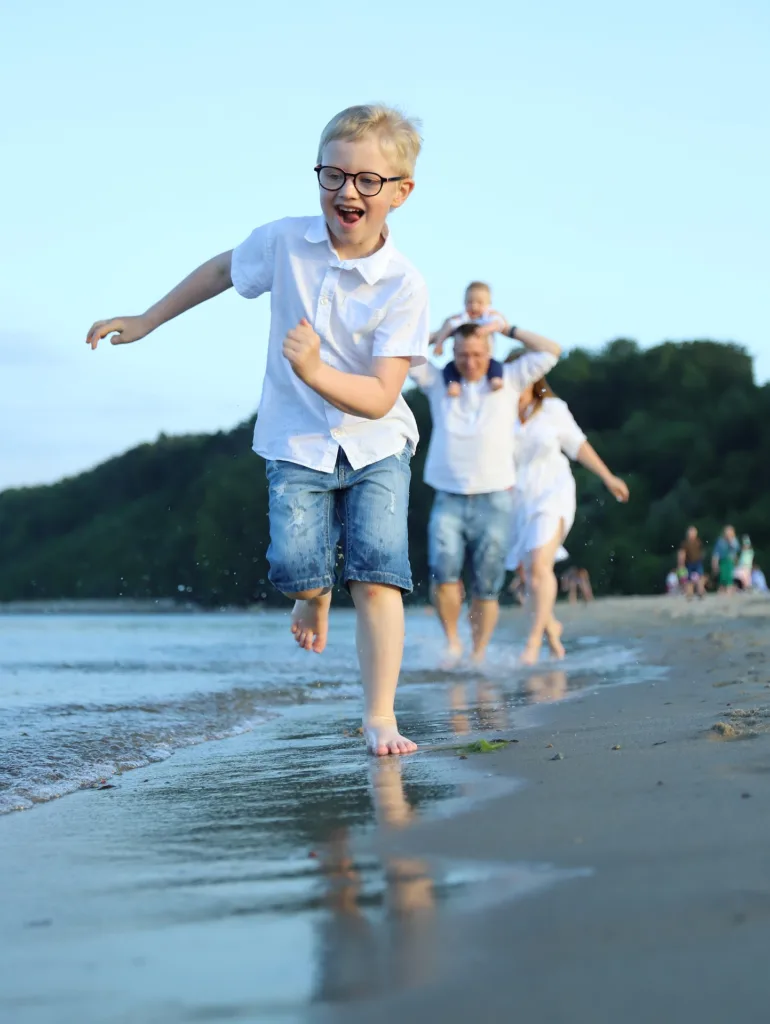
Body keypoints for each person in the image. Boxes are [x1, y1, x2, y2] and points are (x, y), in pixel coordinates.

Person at [85, 104, 430, 757]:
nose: (346, 192)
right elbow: (222, 270)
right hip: (295, 441)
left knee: (379, 574)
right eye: (332, 175)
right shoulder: (283, 244)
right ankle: (311, 596)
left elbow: (383, 396)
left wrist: (315, 369)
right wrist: (148, 318)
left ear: (400, 192)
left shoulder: (405, 285)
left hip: (378, 443)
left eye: (366, 180)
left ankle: (380, 715)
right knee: (298, 568)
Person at [410, 320, 561, 666]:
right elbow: (405, 352)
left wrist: (508, 328)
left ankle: (477, 654)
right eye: (462, 354)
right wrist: (443, 332)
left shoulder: (509, 379)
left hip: (496, 497)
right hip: (448, 495)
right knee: (444, 571)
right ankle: (452, 643)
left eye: (478, 354)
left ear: (489, 351)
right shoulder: (438, 382)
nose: (470, 362)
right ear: (453, 352)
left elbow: (551, 350)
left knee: (487, 584)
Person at [505, 368, 628, 664]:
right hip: (516, 501)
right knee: (526, 575)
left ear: (535, 377)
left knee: (538, 565)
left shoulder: (552, 409)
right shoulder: (498, 412)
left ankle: (533, 644)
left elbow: (577, 444)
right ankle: (550, 628)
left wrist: (608, 477)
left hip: (552, 492)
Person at [429, 282, 506, 396]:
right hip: (459, 362)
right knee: (449, 369)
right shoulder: (462, 318)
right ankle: (453, 385)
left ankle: (495, 379)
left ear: (489, 304)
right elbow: (447, 328)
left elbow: (500, 324)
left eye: (480, 303)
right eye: (470, 302)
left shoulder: (489, 318)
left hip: (487, 359)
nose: (474, 306)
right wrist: (439, 344)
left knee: (495, 365)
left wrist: (487, 329)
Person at [677, 525, 706, 599]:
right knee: (689, 579)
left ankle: (700, 591)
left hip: (698, 562)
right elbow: (682, 553)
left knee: (700, 577)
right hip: (689, 563)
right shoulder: (685, 543)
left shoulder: (698, 542)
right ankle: (689, 593)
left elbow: (701, 551)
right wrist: (681, 563)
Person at [712, 525, 739, 594]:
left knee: (729, 578)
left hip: (730, 561)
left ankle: (729, 591)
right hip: (722, 561)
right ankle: (722, 591)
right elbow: (716, 554)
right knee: (722, 578)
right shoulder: (720, 541)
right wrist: (715, 564)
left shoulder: (734, 541)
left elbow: (735, 552)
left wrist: (730, 541)